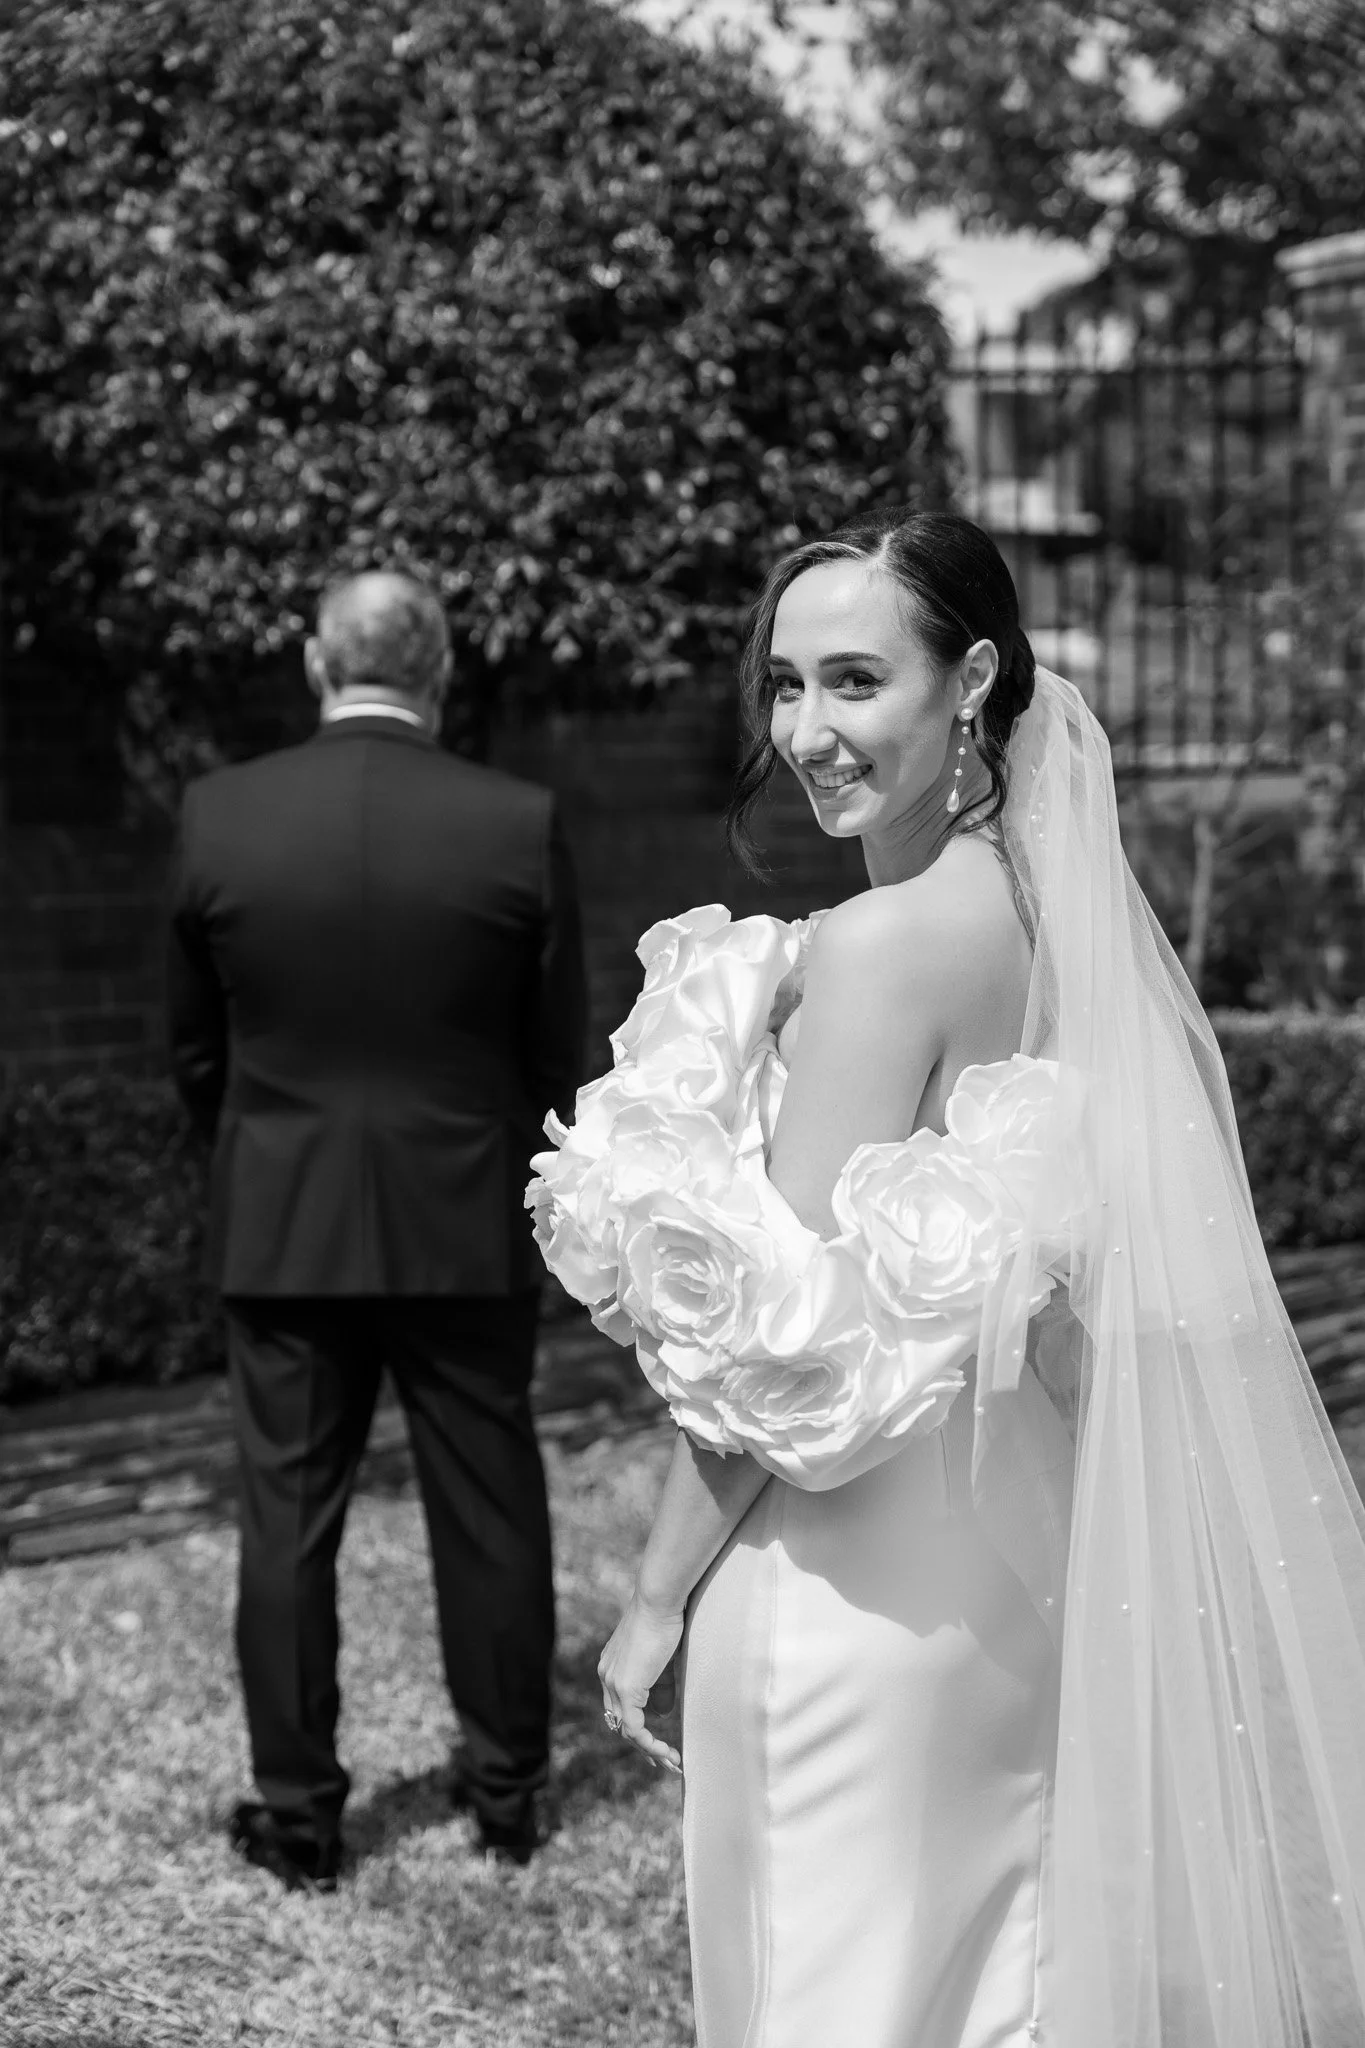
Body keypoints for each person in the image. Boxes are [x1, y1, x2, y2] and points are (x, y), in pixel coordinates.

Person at [530, 510, 1365, 2045]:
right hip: (1012, 1564)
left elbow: (775, 1351)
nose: (807, 731)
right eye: (786, 685)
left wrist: (653, 1598)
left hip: (846, 1583)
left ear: (971, 680)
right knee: (994, 1987)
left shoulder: (880, 948)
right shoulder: (1052, 915)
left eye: (856, 681)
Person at [167, 570, 587, 1891]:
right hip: (463, 1212)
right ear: (441, 668)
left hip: (282, 1219)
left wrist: (255, 1156)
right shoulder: (515, 821)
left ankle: (299, 1818)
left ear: (314, 663)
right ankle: (508, 1794)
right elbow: (555, 1052)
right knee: (490, 1502)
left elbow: (191, 1049)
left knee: (287, 1520)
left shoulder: (221, 814)